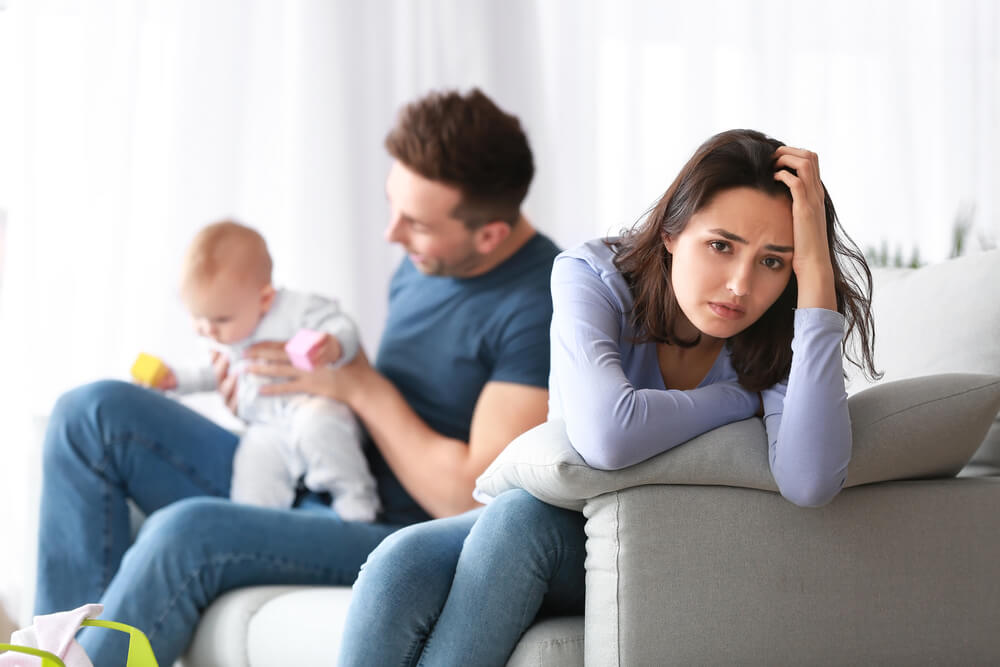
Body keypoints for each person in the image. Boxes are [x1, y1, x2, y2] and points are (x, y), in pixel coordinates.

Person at [34, 88, 560, 665]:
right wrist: (271, 397)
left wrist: (358, 383)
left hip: (382, 525)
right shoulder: (426, 261)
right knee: (91, 414)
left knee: (187, 531)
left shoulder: (538, 305)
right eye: (392, 205)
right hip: (314, 467)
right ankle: (49, 652)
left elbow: (472, 498)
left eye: (414, 223)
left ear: (489, 236)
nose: (391, 234)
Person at [337, 129, 880, 666]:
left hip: (648, 538)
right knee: (398, 564)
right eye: (720, 246)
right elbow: (607, 432)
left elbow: (809, 481)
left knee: (518, 524)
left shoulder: (789, 331)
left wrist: (815, 278)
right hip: (562, 515)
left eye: (773, 261)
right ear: (671, 232)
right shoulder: (594, 275)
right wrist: (738, 400)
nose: (740, 284)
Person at [147, 220, 379, 520]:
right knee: (253, 470)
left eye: (219, 319)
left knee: (320, 429)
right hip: (266, 425)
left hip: (310, 405)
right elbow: (212, 373)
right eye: (197, 317)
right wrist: (176, 379)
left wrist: (332, 344)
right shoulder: (222, 335)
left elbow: (341, 325)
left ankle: (356, 502)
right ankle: (258, 523)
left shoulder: (297, 309)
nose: (208, 330)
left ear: (265, 298)